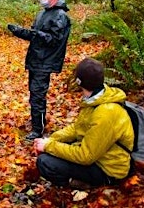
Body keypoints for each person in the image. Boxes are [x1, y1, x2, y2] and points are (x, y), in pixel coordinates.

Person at [34, 58, 134, 189]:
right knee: (52, 151)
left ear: (80, 82)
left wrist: (49, 146)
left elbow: (86, 155)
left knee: (45, 163)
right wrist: (50, 140)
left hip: (108, 169)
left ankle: (82, 184)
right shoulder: (97, 98)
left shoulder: (106, 112)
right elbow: (77, 129)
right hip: (98, 156)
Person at [7, 0, 71, 140]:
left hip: (45, 62)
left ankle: (37, 131)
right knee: (34, 95)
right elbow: (35, 37)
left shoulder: (60, 16)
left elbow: (54, 40)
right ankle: (37, 122)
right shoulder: (42, 13)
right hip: (35, 60)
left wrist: (35, 33)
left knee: (37, 96)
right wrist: (20, 31)